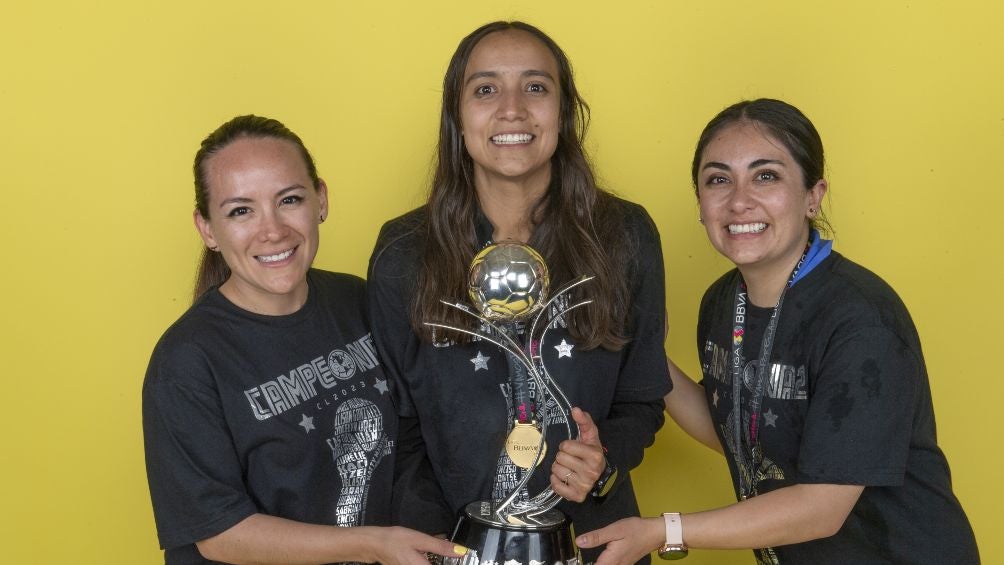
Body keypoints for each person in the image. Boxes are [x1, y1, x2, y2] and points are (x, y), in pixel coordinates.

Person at [576, 99, 979, 564]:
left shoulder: (861, 318)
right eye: (718, 179)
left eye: (766, 176)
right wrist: (645, 348)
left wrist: (662, 530)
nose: (739, 200)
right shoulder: (723, 302)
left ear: (814, 194)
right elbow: (732, 428)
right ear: (701, 204)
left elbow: (822, 508)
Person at [367, 21, 670, 564]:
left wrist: (605, 460)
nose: (512, 109)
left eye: (536, 86)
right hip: (449, 546)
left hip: (595, 544)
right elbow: (400, 422)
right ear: (457, 117)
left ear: (565, 111)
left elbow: (643, 399)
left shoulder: (626, 235)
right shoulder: (403, 251)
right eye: (485, 89)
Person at [142, 115, 468, 565]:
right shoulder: (185, 363)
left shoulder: (359, 300)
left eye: (289, 199)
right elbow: (218, 533)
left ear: (321, 200)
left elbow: (416, 437)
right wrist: (372, 543)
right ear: (207, 229)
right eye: (241, 211)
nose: (272, 230)